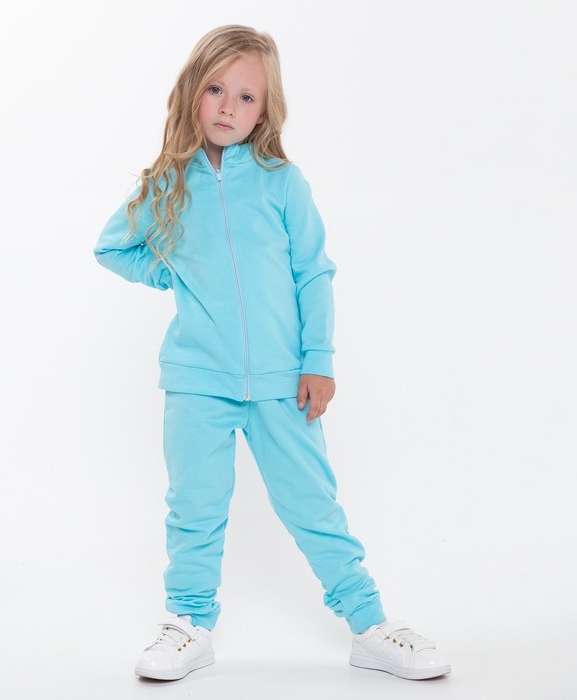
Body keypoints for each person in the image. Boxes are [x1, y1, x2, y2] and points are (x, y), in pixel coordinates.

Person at [94, 24, 450, 683]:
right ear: (192, 93)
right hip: (196, 379)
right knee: (195, 507)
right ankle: (188, 624)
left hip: (285, 380)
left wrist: (319, 360)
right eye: (216, 89)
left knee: (313, 505)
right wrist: (170, 273)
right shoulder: (168, 183)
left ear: (265, 111)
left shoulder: (282, 183)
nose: (228, 107)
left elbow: (312, 272)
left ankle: (370, 625)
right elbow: (112, 247)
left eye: (246, 97)